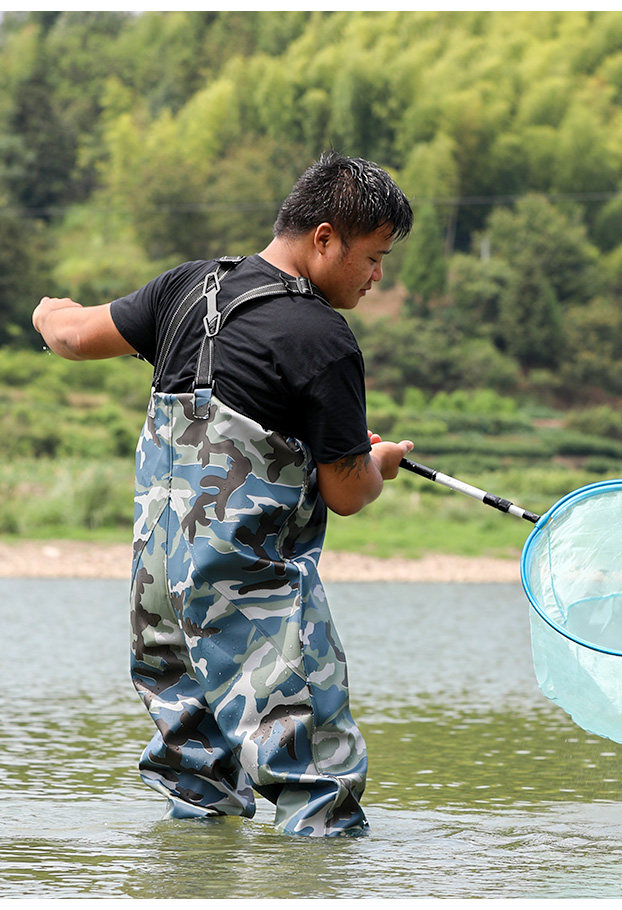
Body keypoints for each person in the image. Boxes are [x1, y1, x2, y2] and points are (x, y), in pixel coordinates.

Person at [32, 151, 414, 836]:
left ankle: (189, 880)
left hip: (159, 602)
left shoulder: (187, 288)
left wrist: (46, 313)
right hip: (250, 599)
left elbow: (71, 335)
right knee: (316, 791)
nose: (377, 276)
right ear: (325, 238)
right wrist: (377, 463)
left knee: (195, 785)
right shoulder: (322, 338)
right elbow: (347, 491)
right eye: (374, 257)